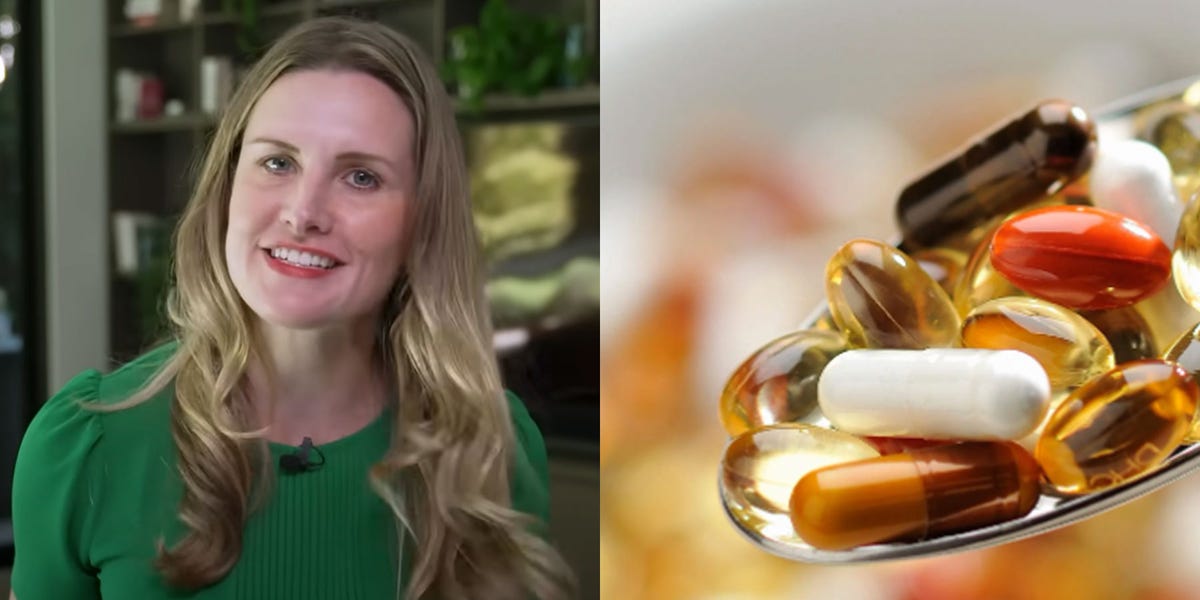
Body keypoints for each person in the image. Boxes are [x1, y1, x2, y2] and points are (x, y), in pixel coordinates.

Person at [9, 16, 575, 600]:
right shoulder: (86, 446)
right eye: (278, 162)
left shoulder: (489, 450)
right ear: (226, 188)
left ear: (421, 225)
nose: (304, 212)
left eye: (360, 176)